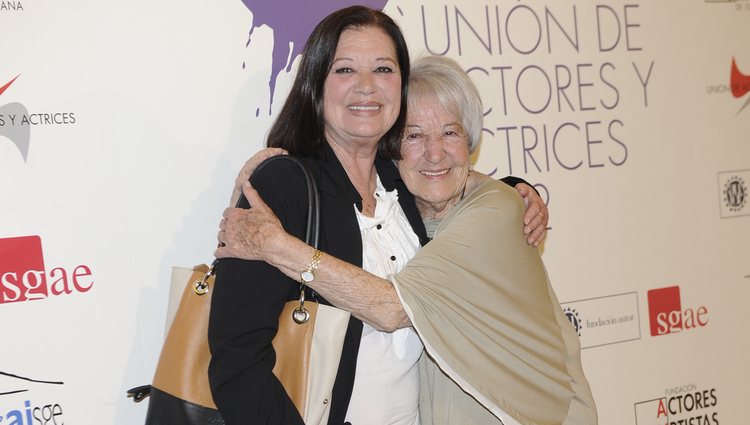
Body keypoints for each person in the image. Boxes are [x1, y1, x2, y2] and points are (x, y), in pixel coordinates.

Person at [208, 6, 548, 425]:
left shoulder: (400, 179)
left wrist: (516, 189)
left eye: (383, 69)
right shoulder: (285, 186)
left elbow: (452, 178)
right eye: (346, 70)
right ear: (316, 85)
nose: (366, 87)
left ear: (401, 87)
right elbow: (237, 359)